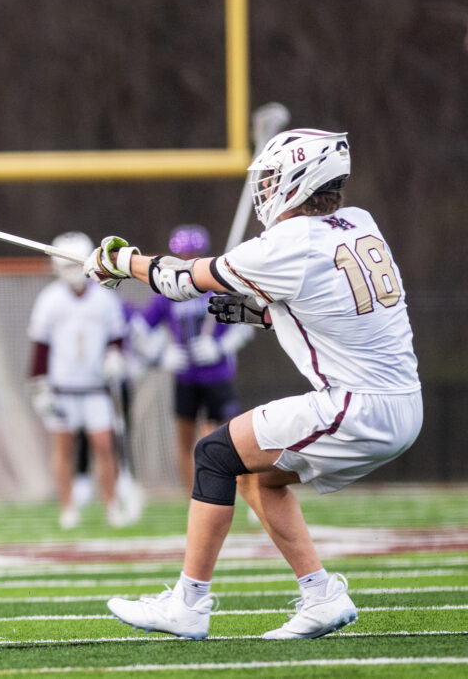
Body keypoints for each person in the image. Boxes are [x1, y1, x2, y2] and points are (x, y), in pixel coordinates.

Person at [84, 129, 421, 639]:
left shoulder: (290, 243)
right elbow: (340, 307)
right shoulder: (359, 223)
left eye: (270, 179)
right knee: (255, 475)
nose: (264, 190)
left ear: (297, 180)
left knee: (214, 453)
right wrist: (268, 315)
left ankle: (188, 605)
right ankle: (321, 595)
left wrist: (119, 261)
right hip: (401, 402)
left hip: (356, 407)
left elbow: (180, 280)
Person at [27, 231, 139, 529]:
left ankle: (112, 505)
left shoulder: (104, 299)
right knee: (63, 447)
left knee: (104, 445)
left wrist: (116, 357)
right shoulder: (49, 300)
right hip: (62, 386)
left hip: (95, 386)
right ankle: (68, 508)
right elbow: (40, 346)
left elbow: (117, 337)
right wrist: (40, 387)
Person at [138, 224, 254, 492]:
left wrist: (220, 347)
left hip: (218, 375)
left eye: (193, 254)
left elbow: (247, 326)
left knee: (233, 438)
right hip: (185, 377)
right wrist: (160, 355)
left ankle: (245, 489)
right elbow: (140, 330)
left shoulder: (219, 286)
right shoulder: (167, 293)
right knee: (186, 440)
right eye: (184, 255)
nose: (188, 260)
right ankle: (193, 495)